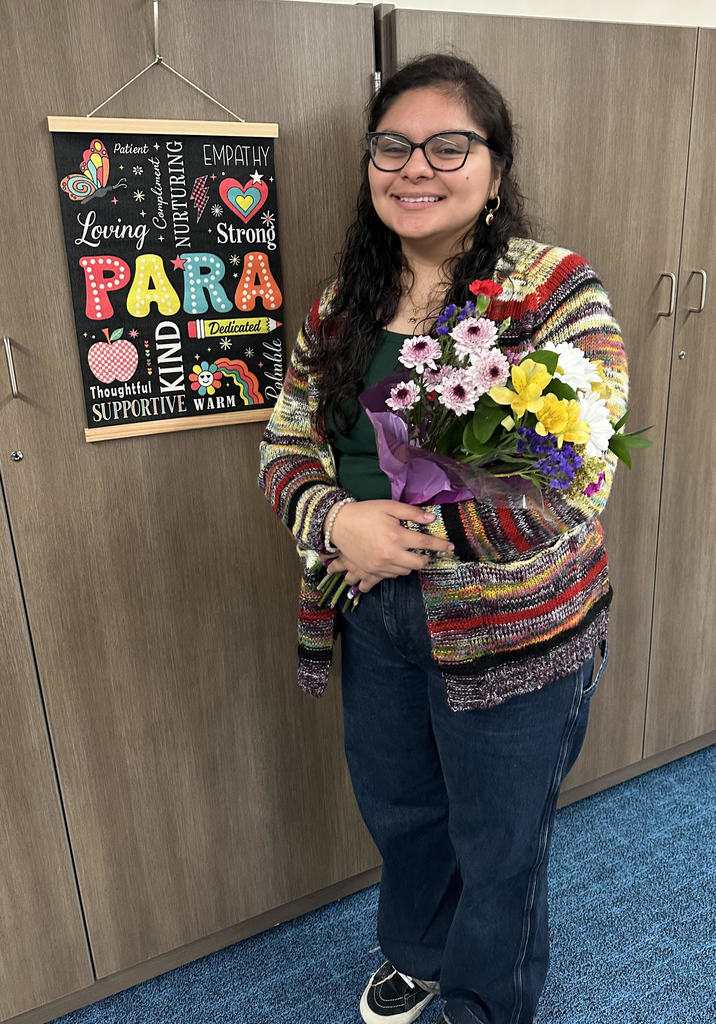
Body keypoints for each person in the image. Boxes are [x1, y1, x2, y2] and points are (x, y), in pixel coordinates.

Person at [259, 53, 628, 1024]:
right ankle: (418, 952)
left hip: (515, 632)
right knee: (404, 810)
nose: (413, 166)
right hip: (368, 613)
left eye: (446, 145)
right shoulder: (343, 302)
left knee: (499, 838)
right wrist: (336, 519)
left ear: (494, 170)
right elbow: (286, 445)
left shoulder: (554, 291)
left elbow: (578, 479)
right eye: (391, 145)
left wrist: (413, 536)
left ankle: (485, 998)